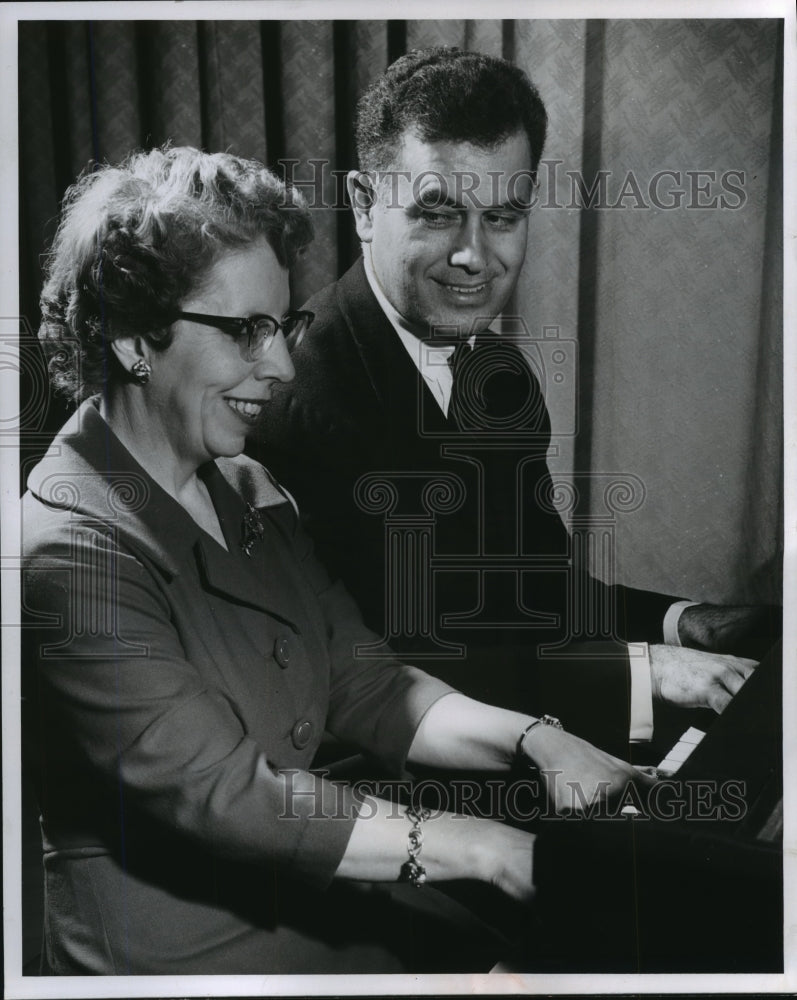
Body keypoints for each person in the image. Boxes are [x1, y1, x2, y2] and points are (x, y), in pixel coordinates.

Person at [22, 145, 660, 976]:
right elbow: (226, 795)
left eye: (281, 326)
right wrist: (485, 847)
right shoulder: (65, 554)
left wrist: (539, 741)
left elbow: (369, 684)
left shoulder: (248, 488)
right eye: (246, 332)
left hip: (299, 889)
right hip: (176, 951)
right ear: (136, 337)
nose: (282, 366)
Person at [258, 47, 772, 754]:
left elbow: (534, 593)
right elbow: (394, 672)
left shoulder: (496, 372)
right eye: (438, 212)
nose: (474, 256)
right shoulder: (299, 398)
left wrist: (682, 623)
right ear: (365, 206)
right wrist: (648, 671)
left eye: (502, 216)